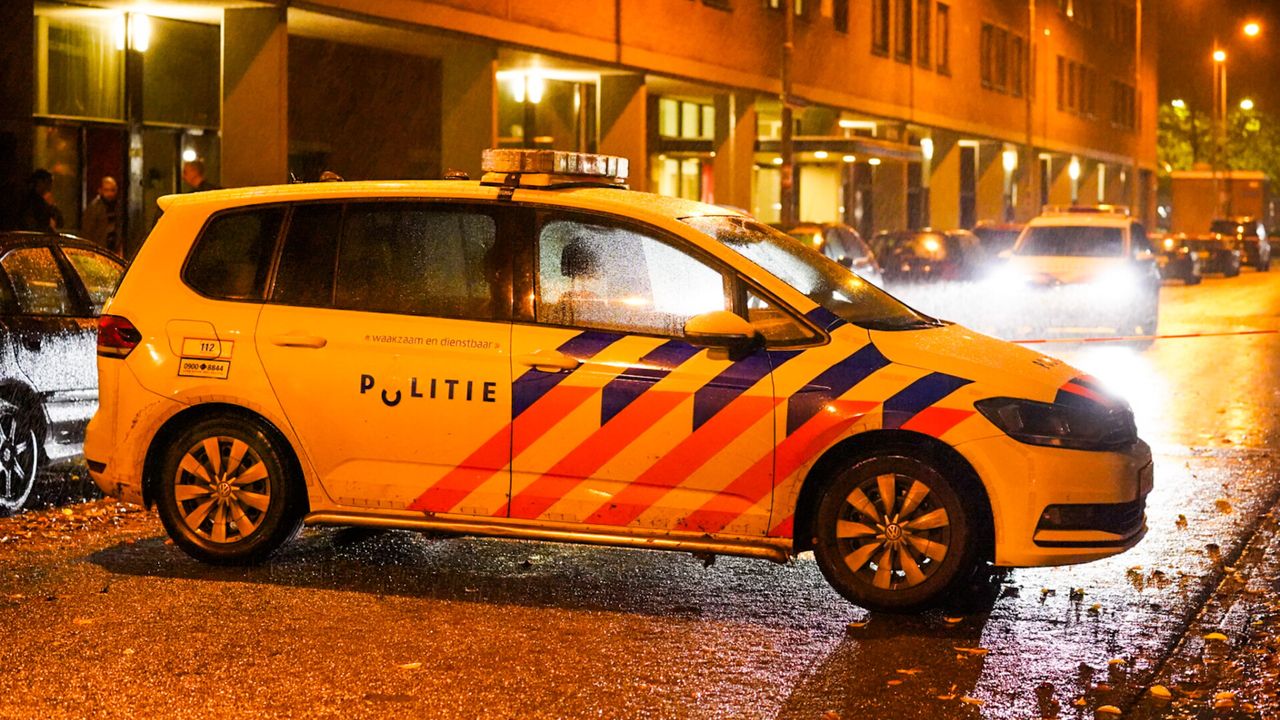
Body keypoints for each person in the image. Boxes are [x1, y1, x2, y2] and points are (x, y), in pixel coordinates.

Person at [81, 176, 123, 255]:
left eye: (112, 190)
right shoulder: (94, 208)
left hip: (112, 249)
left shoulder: (118, 206)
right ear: (100, 190)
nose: (110, 194)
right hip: (98, 250)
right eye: (106, 190)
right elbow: (87, 233)